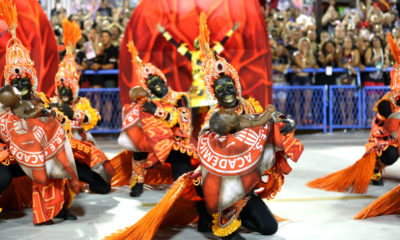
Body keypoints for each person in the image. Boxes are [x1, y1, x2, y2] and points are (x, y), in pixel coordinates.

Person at [105, 15, 303, 240]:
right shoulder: (213, 114)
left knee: (269, 228)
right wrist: (145, 102)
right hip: (214, 177)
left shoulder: (193, 99)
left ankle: (229, 212)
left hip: (198, 154)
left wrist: (283, 124)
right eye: (220, 89)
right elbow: (219, 124)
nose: (226, 91)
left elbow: (181, 119)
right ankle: (210, 212)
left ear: (236, 85)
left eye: (229, 85)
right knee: (145, 153)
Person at [0, 0, 79, 224]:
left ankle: (56, 208)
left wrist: (55, 115)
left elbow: (58, 121)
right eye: (17, 79)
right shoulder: (4, 99)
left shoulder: (40, 99)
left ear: (32, 79)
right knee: (2, 177)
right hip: (7, 153)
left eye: (26, 79)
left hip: (33, 152)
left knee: (57, 154)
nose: (22, 83)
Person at [307, 32, 400, 193]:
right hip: (387, 141)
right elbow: (388, 130)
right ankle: (375, 168)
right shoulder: (387, 104)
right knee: (390, 154)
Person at [116, 40, 198, 198]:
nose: (155, 85)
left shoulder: (179, 97)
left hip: (176, 140)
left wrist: (157, 112)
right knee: (138, 145)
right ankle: (138, 181)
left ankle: (181, 188)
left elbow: (184, 122)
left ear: (163, 80)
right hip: (154, 141)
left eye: (157, 80)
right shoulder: (147, 102)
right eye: (151, 84)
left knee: (183, 176)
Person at [51, 19, 114, 194]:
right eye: (61, 86)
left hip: (80, 149)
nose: (63, 90)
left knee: (103, 187)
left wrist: (73, 114)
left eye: (67, 86)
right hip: (59, 152)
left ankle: (79, 177)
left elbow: (91, 118)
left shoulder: (82, 103)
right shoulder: (52, 101)